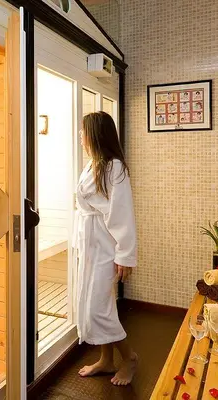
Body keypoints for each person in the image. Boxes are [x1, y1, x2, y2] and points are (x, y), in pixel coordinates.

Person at [74, 111, 138, 386]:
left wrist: (125, 255)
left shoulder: (114, 167)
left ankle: (130, 358)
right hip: (90, 244)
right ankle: (106, 360)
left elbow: (122, 214)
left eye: (84, 130)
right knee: (101, 303)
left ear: (96, 134)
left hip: (106, 246)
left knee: (97, 309)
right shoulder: (93, 164)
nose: (81, 135)